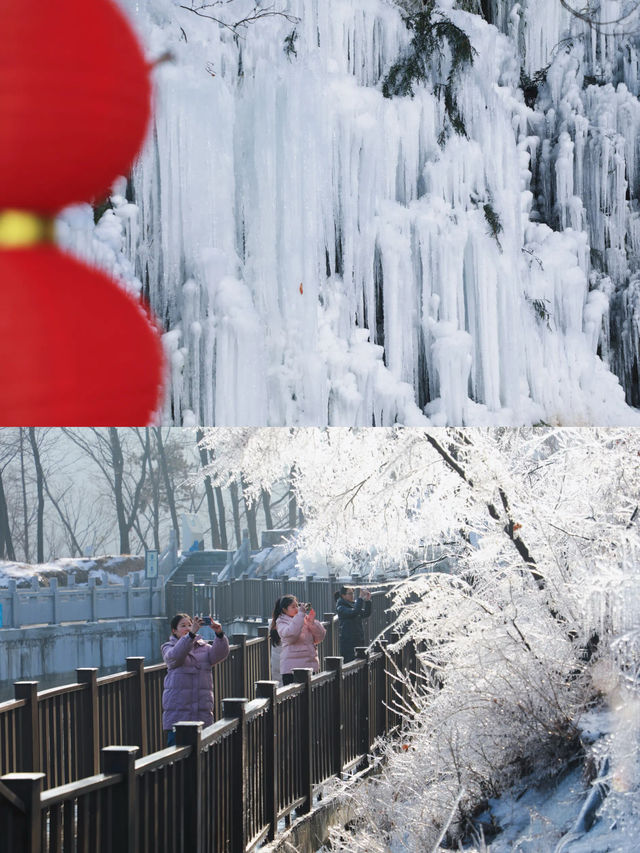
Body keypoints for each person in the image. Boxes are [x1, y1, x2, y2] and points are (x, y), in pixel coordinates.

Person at [162, 612, 230, 745]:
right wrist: (190, 635)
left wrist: (219, 634)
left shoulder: (203, 647)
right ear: (174, 631)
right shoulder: (168, 647)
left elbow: (220, 654)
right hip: (178, 713)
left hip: (201, 710)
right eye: (183, 626)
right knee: (177, 756)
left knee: (203, 754)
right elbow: (175, 657)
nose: (187, 628)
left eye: (189, 625)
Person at [271, 595, 326, 685]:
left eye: (297, 606)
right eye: (293, 607)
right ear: (284, 610)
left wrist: (312, 622)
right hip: (292, 669)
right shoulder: (281, 622)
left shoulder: (303, 619)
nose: (296, 609)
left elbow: (319, 637)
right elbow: (291, 636)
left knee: (309, 696)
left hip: (309, 665)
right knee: (293, 697)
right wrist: (300, 615)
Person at [335, 586, 372, 663]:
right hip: (348, 643)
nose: (352, 595)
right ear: (343, 595)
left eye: (353, 593)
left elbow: (366, 614)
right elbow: (354, 612)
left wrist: (368, 601)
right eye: (350, 593)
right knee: (350, 665)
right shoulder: (341, 607)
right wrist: (360, 598)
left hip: (358, 640)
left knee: (360, 664)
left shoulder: (353, 604)